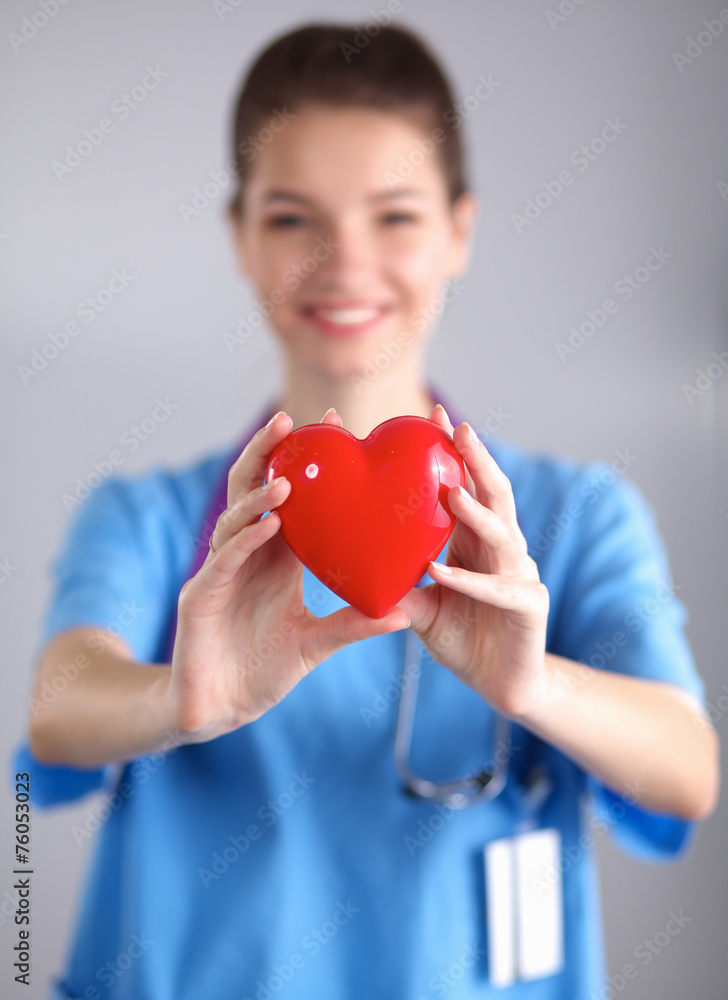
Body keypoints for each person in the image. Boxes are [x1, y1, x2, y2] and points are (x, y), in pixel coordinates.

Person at [14, 22, 719, 1000]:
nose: (344, 263)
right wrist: (175, 700)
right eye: (293, 218)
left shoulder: (570, 520)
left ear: (457, 231)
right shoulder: (154, 520)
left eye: (392, 217)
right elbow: (53, 714)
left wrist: (531, 687)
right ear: (242, 238)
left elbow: (686, 768)